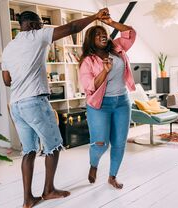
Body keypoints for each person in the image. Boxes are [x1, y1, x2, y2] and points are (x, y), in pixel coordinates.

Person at [1, 9, 109, 208]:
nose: (42, 27)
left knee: (29, 151)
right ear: (34, 24)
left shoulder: (9, 47)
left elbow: (7, 80)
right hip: (34, 102)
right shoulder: (37, 35)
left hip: (16, 104)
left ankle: (27, 200)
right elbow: (73, 27)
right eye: (41, 24)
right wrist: (95, 17)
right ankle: (48, 190)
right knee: (54, 145)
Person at [78, 15, 136, 189]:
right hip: (99, 105)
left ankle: (112, 176)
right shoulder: (88, 61)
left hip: (122, 103)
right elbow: (89, 87)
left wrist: (109, 22)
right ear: (91, 40)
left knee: (119, 143)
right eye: (97, 35)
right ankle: (94, 164)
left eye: (104, 33)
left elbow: (130, 33)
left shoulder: (117, 48)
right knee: (101, 143)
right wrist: (104, 71)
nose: (102, 36)